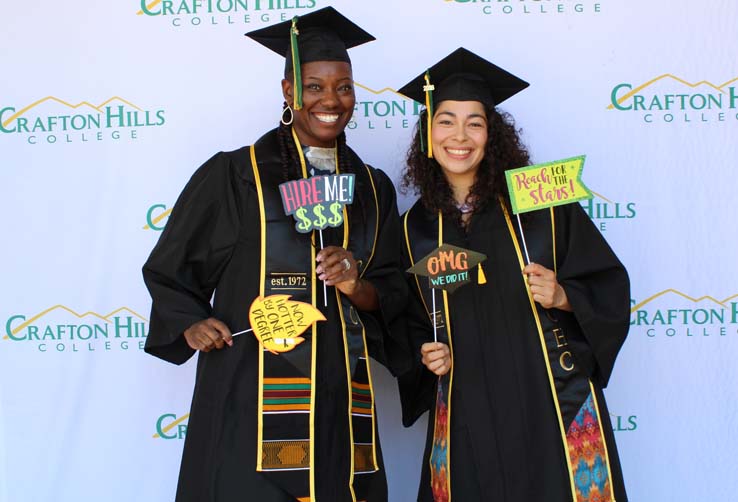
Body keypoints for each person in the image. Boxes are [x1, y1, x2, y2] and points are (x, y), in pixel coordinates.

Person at [142, 7, 408, 502]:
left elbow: (392, 295)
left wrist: (356, 282)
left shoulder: (372, 188)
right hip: (249, 389)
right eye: (314, 87)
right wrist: (191, 322)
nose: (332, 100)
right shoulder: (236, 175)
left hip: (341, 399)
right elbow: (171, 272)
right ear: (288, 91)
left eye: (344, 87)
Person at [395, 47, 630, 502]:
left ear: (491, 135)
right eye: (445, 120)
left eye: (474, 123)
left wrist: (564, 295)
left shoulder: (541, 204)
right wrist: (427, 355)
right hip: (468, 406)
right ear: (428, 132)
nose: (459, 135)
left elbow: (608, 284)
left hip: (546, 402)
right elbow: (408, 320)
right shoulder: (415, 228)